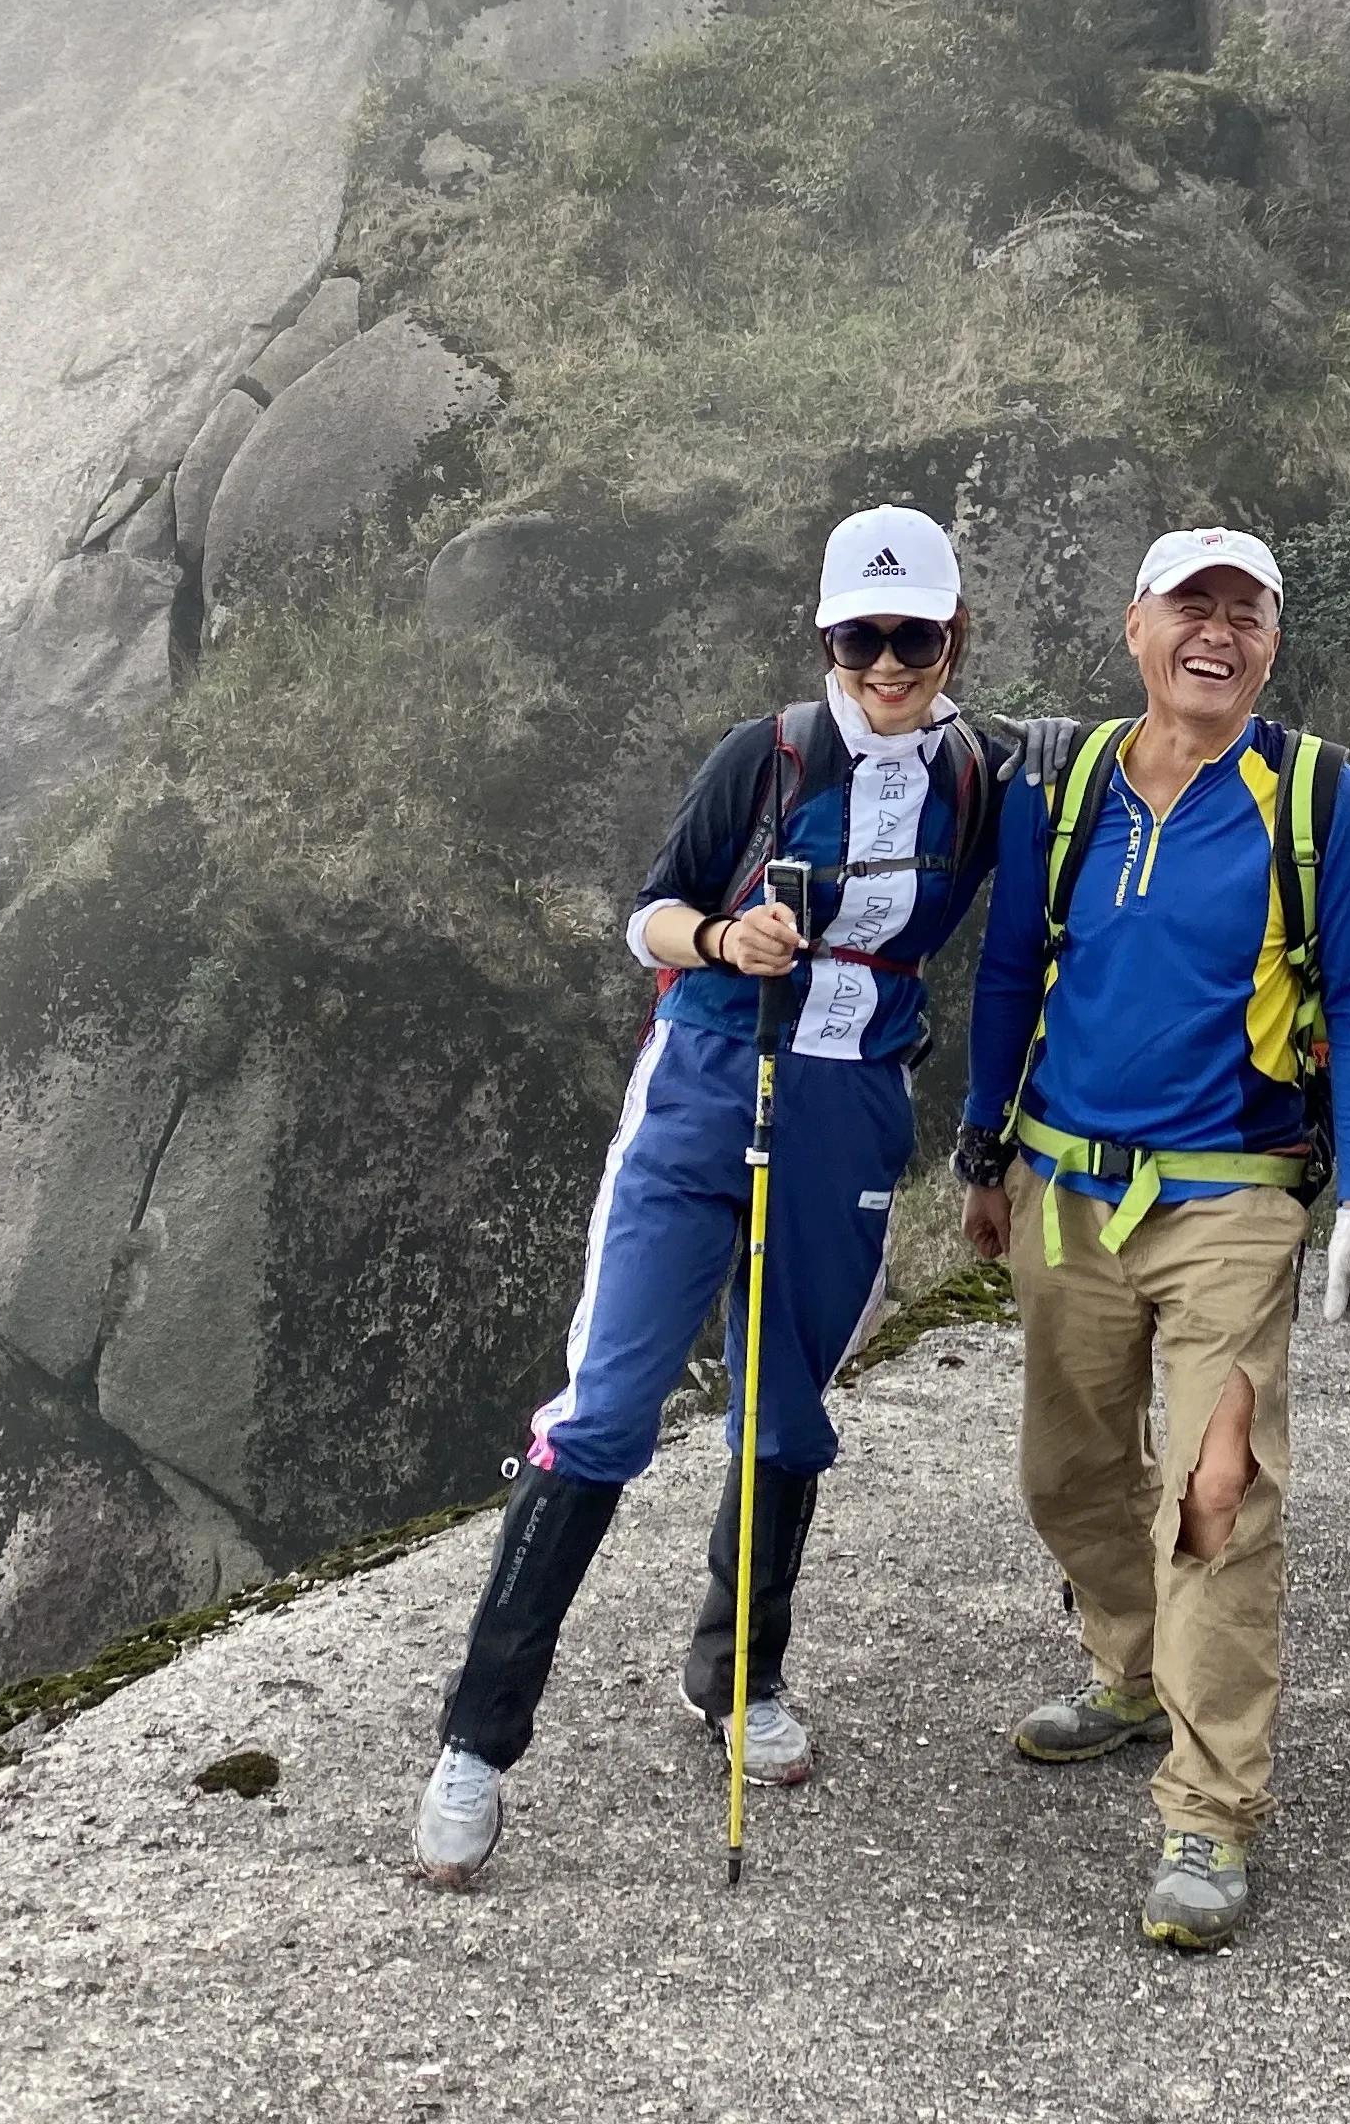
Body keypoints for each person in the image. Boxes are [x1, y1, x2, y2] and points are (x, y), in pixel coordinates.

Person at [412, 505, 1009, 1888]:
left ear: (952, 634)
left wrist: (985, 1137)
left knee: (786, 1409)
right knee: (608, 1406)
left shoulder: (979, 780)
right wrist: (722, 935)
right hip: (702, 1083)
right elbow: (648, 912)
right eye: (859, 637)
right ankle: (476, 1745)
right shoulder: (766, 758)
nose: (885, 662)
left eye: (912, 635)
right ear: (825, 638)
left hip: (850, 1107)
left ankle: (735, 1678)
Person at [955, 525, 1350, 1956]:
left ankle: (1209, 1810)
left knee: (1217, 1501)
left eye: (1246, 613)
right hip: (1069, 1189)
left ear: (1271, 640)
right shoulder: (1069, 785)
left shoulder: (1314, 793)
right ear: (1136, 625)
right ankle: (1131, 1671)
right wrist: (984, 1150)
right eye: (1191, 606)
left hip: (1230, 1194)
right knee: (1070, 1473)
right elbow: (1014, 966)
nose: (1218, 632)